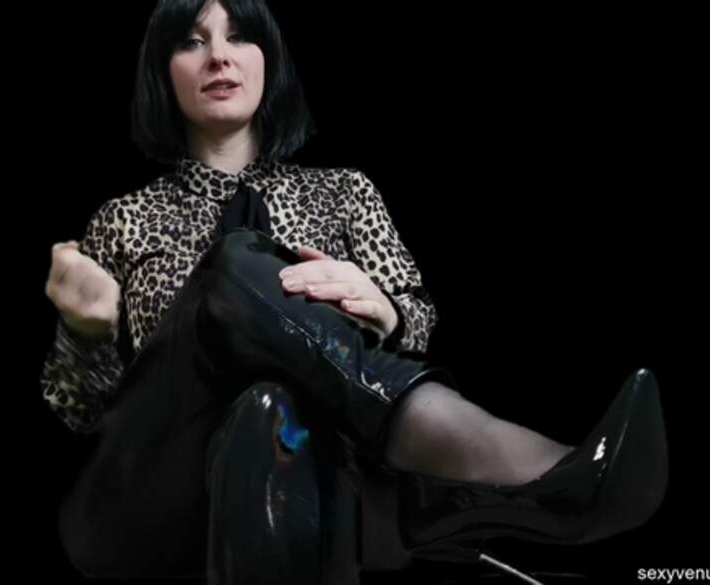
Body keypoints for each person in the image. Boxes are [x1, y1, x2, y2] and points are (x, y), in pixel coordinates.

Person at [40, 0, 669, 581]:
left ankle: (463, 475)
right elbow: (84, 416)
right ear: (164, 71)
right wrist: (84, 334)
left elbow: (417, 322)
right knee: (233, 266)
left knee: (270, 412)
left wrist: (387, 312)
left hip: (324, 488)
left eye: (240, 36)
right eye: (191, 41)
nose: (219, 57)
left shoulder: (345, 193)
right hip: (145, 508)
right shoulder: (123, 219)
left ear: (269, 60)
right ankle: (497, 471)